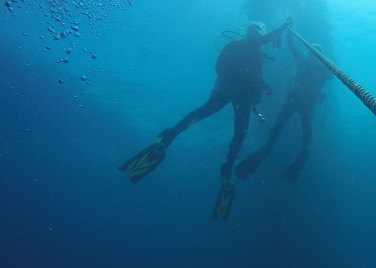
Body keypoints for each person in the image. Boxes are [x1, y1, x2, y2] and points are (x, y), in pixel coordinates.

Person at [118, 19, 290, 219]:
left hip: (234, 92)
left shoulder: (247, 50)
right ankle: (220, 164)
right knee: (229, 126)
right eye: (254, 31)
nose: (255, 35)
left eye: (256, 31)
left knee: (224, 124)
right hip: (234, 92)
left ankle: (174, 140)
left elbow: (231, 70)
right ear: (249, 34)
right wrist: (283, 27)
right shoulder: (242, 45)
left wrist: (263, 85)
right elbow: (228, 66)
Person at [235, 30, 332, 182]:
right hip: (303, 105)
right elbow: (293, 47)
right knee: (302, 135)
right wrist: (289, 31)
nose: (311, 56)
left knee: (281, 130)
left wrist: (289, 31)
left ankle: (270, 149)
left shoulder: (310, 64)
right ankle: (296, 156)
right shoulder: (322, 68)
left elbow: (293, 47)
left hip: (295, 103)